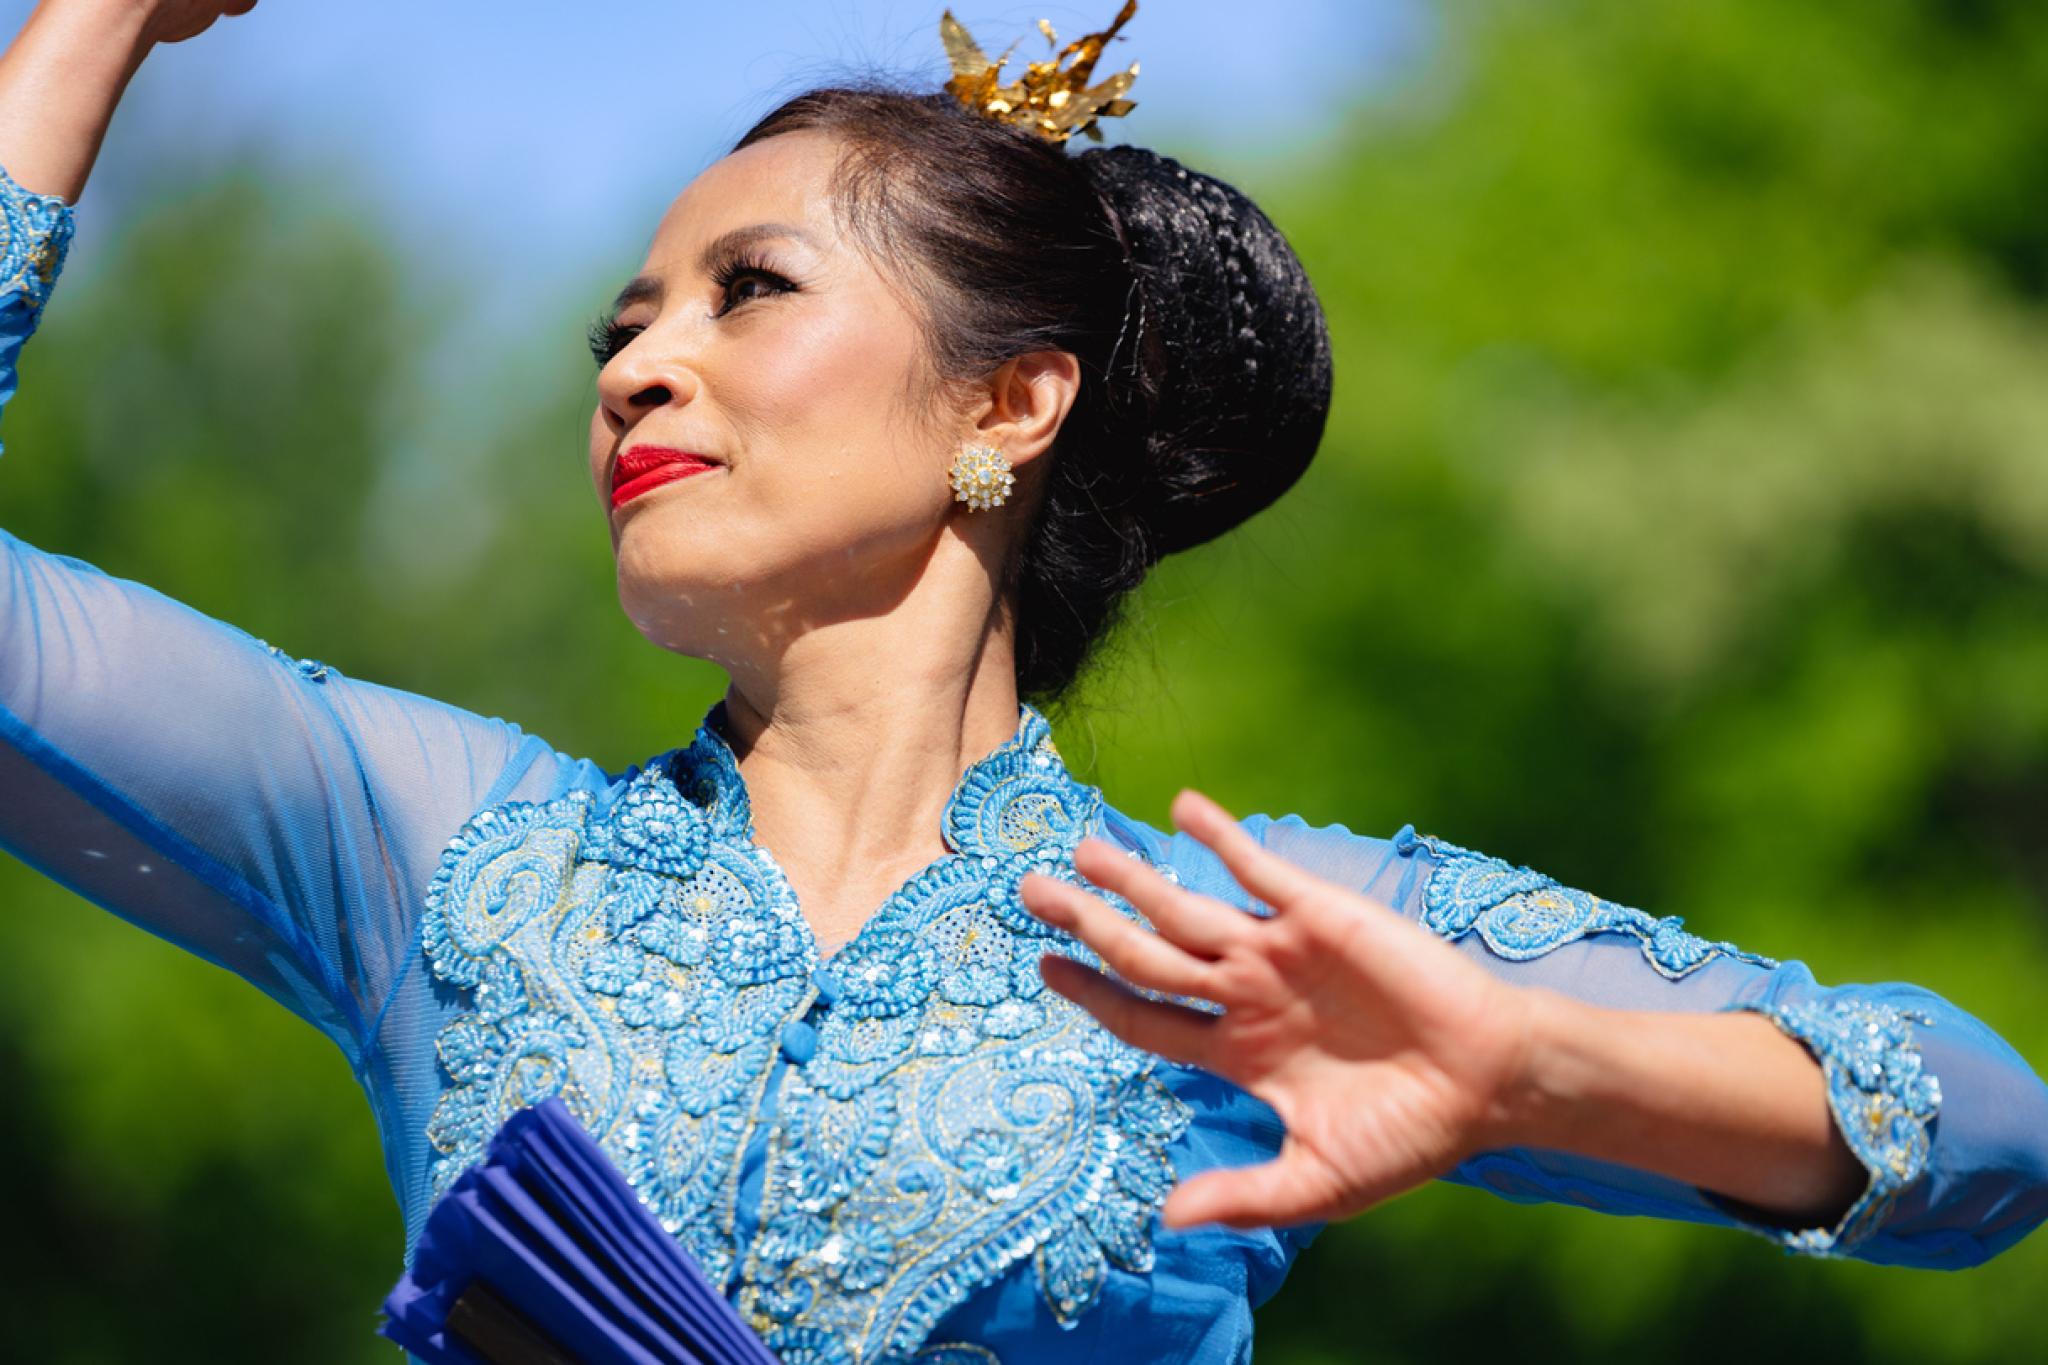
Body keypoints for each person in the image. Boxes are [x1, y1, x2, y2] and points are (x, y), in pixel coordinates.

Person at [2, 1, 2045, 1361]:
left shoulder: (1244, 942)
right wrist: (86, 26)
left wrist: (1522, 1065)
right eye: (620, 325)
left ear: (1007, 396)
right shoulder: (447, 854)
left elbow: (1985, 1128)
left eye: (747, 291)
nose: (634, 364)